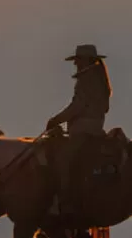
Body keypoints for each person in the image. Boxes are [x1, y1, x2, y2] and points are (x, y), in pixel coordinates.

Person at [45, 44, 112, 216]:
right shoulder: (99, 78)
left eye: (78, 60)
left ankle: (65, 201)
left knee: (63, 159)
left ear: (87, 60)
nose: (76, 64)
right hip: (95, 125)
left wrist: (56, 120)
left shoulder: (87, 79)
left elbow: (77, 106)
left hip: (85, 127)